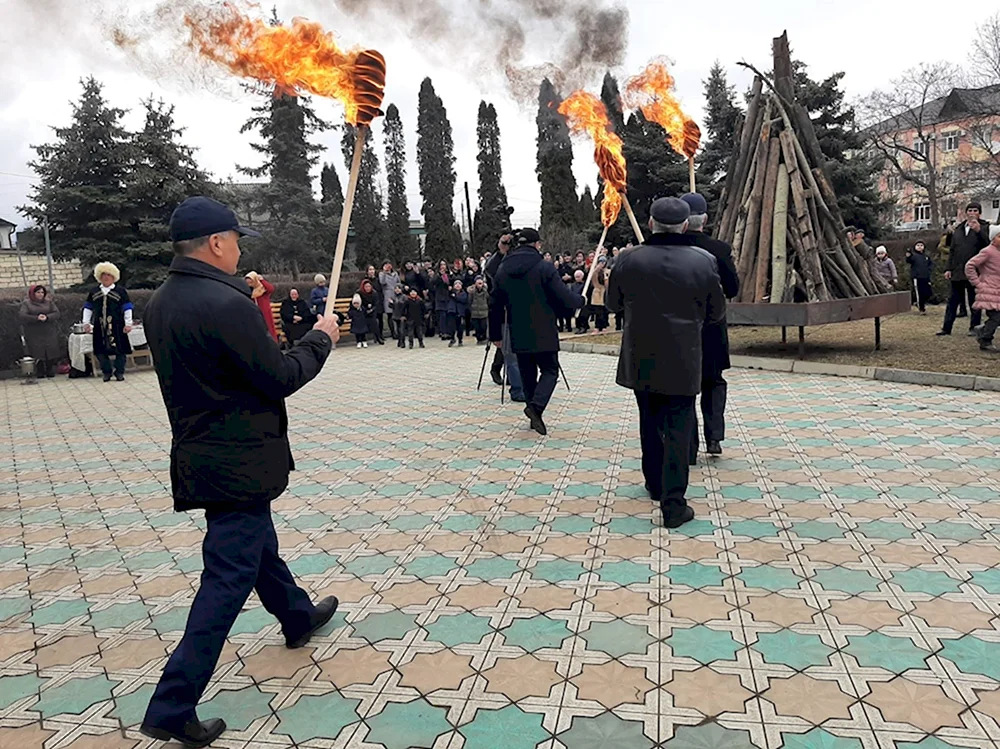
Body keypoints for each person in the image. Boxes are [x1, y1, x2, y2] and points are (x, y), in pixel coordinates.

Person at [141, 196, 340, 747]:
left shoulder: (161, 302)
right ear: (216, 244)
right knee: (227, 576)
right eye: (235, 240)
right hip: (240, 461)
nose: (237, 250)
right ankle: (172, 703)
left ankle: (296, 615)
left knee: (256, 547)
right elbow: (277, 375)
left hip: (202, 453)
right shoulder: (224, 305)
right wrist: (320, 339)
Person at [607, 197, 725, 529]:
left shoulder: (628, 260)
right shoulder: (703, 261)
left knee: (649, 420)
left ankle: (654, 483)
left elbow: (613, 304)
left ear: (650, 224)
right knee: (678, 425)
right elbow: (717, 312)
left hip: (640, 353)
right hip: (684, 355)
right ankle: (674, 503)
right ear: (686, 225)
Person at [489, 227, 585, 435]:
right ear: (537, 244)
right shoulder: (544, 267)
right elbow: (562, 296)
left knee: (528, 375)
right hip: (544, 329)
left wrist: (495, 334)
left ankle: (535, 418)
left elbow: (494, 303)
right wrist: (580, 301)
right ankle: (535, 408)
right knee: (550, 371)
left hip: (518, 330)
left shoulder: (504, 269)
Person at [681, 192, 740, 459]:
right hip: (712, 326)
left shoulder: (670, 250)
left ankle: (689, 444)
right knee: (713, 381)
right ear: (704, 219)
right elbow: (732, 288)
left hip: (679, 328)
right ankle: (714, 436)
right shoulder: (719, 249)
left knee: (684, 388)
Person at [939, 202, 991, 336]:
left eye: (975, 210)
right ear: (966, 212)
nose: (972, 213)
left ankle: (974, 327)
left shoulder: (985, 227)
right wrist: (948, 268)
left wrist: (979, 231)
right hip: (957, 270)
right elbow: (952, 250)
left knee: (974, 301)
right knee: (953, 300)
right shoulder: (959, 229)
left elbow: (988, 247)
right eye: (970, 210)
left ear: (979, 213)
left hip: (975, 271)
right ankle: (946, 328)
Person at [484, 233, 524, 401]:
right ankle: (517, 389)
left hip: (525, 313)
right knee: (510, 355)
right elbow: (490, 271)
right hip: (504, 315)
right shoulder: (497, 274)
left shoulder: (525, 261)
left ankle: (525, 384)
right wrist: (501, 252)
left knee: (522, 354)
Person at [83, 262, 134, 382]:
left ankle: (119, 372)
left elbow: (127, 308)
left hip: (117, 325)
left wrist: (128, 323)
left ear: (113, 277)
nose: (106, 277)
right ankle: (106, 372)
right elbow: (88, 307)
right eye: (103, 275)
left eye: (108, 275)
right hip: (99, 325)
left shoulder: (120, 291)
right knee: (100, 350)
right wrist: (86, 322)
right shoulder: (94, 291)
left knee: (120, 350)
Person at [966, 226, 1000, 352]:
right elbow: (970, 265)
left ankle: (983, 329)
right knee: (996, 317)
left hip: (998, 290)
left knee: (997, 318)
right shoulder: (988, 251)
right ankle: (985, 339)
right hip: (989, 290)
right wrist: (977, 282)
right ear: (992, 238)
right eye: (999, 236)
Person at [19, 284, 61, 378]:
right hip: (34, 331)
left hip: (48, 330)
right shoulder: (27, 303)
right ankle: (40, 370)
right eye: (38, 292)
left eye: (42, 292)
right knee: (37, 351)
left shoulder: (49, 302)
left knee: (50, 350)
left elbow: (56, 313)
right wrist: (36, 318)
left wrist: (47, 317)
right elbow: (22, 316)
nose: (40, 294)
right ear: (33, 293)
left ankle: (49, 369)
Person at [244, 271, 277, 342]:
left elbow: (270, 289)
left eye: (250, 282)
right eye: (248, 283)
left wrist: (262, 280)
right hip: (253, 314)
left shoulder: (262, 289)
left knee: (268, 329)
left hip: (264, 313)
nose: (249, 284)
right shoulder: (248, 291)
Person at [905, 241, 934, 313]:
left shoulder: (926, 256)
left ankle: (919, 303)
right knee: (919, 293)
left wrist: (929, 270)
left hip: (926, 277)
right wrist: (908, 256)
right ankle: (921, 308)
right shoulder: (914, 256)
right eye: (918, 245)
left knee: (928, 292)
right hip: (917, 277)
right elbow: (909, 260)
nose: (920, 246)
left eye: (921, 245)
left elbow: (931, 264)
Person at [363, 268, 385, 344]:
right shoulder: (365, 281)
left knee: (380, 319)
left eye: (373, 269)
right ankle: (376, 336)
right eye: (370, 270)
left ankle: (381, 335)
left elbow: (381, 289)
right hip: (370, 302)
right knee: (374, 320)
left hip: (378, 300)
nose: (372, 271)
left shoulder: (377, 280)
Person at [379, 262, 401, 340]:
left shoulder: (395, 273)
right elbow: (382, 282)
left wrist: (398, 289)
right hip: (387, 295)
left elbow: (399, 283)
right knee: (390, 315)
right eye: (385, 265)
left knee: (398, 313)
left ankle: (399, 331)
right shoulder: (381, 274)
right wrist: (385, 272)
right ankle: (393, 333)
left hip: (396, 294)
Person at [358, 278, 383, 345]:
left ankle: (378, 338)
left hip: (372, 311)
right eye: (366, 287)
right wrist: (365, 309)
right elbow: (358, 303)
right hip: (362, 311)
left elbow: (376, 303)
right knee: (361, 321)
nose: (367, 288)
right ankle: (362, 340)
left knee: (374, 322)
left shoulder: (374, 293)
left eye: (369, 286)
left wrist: (371, 309)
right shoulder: (359, 293)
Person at [446, 279, 469, 347]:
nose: (458, 285)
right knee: (451, 327)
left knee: (460, 328)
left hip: (460, 312)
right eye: (456, 284)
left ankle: (460, 340)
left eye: (459, 284)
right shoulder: (450, 292)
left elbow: (463, 300)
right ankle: (452, 338)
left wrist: (455, 296)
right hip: (452, 311)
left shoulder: (463, 293)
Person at [591, 259, 609, 332]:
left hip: (604, 290)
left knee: (604, 310)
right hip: (597, 290)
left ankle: (604, 325)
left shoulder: (607, 271)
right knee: (597, 310)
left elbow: (607, 283)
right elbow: (593, 280)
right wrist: (596, 270)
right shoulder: (594, 272)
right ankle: (597, 326)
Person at [570, 269, 589, 334]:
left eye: (579, 277)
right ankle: (578, 327)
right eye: (576, 277)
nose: (577, 278)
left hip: (583, 301)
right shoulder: (573, 285)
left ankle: (584, 327)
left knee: (583, 315)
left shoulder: (585, 285)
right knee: (576, 316)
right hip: (576, 301)